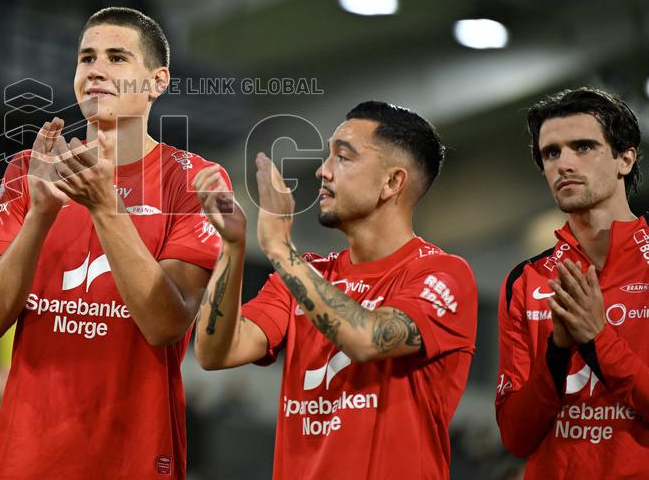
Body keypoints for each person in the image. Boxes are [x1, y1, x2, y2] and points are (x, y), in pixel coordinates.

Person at [0, 7, 227, 480]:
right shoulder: (29, 172)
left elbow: (165, 324)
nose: (96, 71)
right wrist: (41, 214)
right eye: (86, 58)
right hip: (27, 460)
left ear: (157, 81)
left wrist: (106, 208)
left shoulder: (191, 179)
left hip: (133, 459)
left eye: (117, 58)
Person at [194, 101, 477, 480]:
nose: (322, 171)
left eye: (342, 157)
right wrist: (232, 246)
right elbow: (216, 352)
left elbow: (368, 339)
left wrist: (279, 249)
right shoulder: (304, 274)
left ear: (392, 182)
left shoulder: (442, 274)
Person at [495, 87, 648, 478]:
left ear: (625, 158)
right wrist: (558, 351)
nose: (564, 164)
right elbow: (516, 436)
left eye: (583, 147)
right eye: (551, 152)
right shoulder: (526, 281)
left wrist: (597, 337)